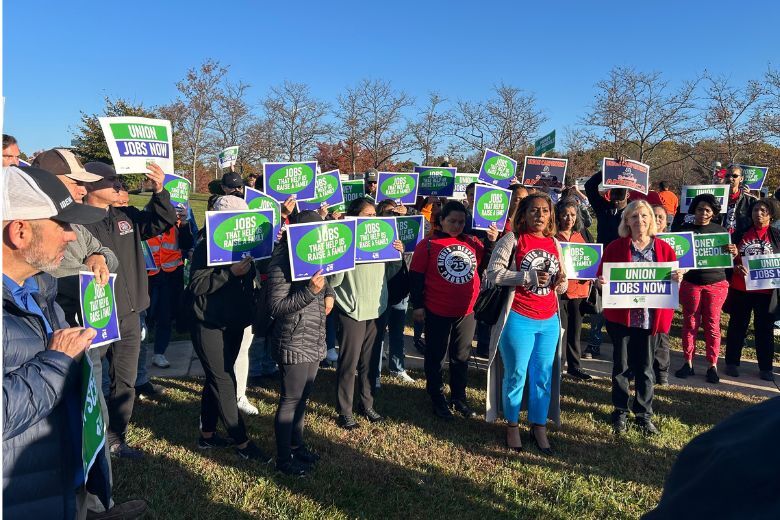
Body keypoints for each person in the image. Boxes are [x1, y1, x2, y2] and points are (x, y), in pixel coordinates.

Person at [2, 166, 113, 518]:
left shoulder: (42, 289)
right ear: (19, 231)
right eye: (62, 225)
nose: (71, 236)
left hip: (64, 484)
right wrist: (55, 362)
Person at [82, 161, 177, 458]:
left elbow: (162, 221)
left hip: (130, 312)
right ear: (90, 185)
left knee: (125, 378)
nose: (120, 186)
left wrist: (160, 190)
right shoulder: (76, 221)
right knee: (94, 379)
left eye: (120, 181)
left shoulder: (126, 216)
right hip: (94, 314)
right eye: (112, 181)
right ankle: (92, 437)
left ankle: (116, 436)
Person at [188, 195, 272, 461]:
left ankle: (208, 435)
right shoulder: (204, 246)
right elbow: (197, 286)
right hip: (208, 323)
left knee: (218, 378)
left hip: (235, 321)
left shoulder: (248, 244)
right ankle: (243, 443)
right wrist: (228, 274)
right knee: (224, 379)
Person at [484, 193, 566, 454]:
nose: (539, 216)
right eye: (533, 211)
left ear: (550, 215)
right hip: (518, 317)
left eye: (544, 211)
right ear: (523, 214)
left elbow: (561, 282)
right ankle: (512, 425)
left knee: (542, 376)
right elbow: (493, 274)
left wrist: (561, 282)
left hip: (549, 319)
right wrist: (526, 276)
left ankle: (539, 425)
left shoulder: (555, 242)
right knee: (516, 374)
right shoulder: (513, 239)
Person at [597, 200, 680, 435]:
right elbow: (601, 277)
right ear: (626, 221)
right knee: (621, 367)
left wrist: (677, 278)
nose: (639, 221)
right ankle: (620, 411)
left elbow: (672, 282)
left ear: (651, 220)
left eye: (644, 216)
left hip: (649, 319)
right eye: (634, 216)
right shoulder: (615, 247)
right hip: (621, 317)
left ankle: (644, 413)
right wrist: (600, 282)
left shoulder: (664, 250)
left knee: (645, 368)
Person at [409, 200, 497, 419]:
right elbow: (416, 277)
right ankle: (436, 396)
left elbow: (486, 264)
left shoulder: (473, 242)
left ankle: (459, 397)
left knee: (461, 356)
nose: (457, 226)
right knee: (436, 355)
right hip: (437, 309)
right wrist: (418, 305)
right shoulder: (427, 244)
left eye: (461, 221)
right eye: (452, 221)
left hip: (467, 310)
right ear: (441, 221)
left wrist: (492, 243)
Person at [266, 211, 334, 475]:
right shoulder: (281, 261)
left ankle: (296, 445)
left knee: (303, 398)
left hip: (315, 336)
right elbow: (277, 306)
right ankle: (284, 459)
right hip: (293, 339)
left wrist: (328, 293)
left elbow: (324, 281)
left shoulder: (316, 255)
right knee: (290, 399)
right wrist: (310, 292)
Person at [330, 197, 404, 429]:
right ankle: (345, 410)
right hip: (352, 308)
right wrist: (343, 255)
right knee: (348, 363)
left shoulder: (381, 240)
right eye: (367, 216)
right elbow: (335, 280)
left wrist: (397, 254)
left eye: (374, 216)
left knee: (371, 362)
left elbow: (390, 273)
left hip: (377, 308)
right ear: (354, 217)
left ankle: (367, 403)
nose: (372, 220)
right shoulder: (346, 240)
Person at [673, 194, 737, 384]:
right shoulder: (684, 231)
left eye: (708, 210)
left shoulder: (721, 231)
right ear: (694, 209)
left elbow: (728, 259)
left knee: (712, 324)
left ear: (714, 213)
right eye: (700, 209)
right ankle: (688, 362)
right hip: (691, 282)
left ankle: (712, 365)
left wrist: (734, 252)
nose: (703, 213)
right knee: (690, 322)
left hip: (716, 283)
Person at [725, 197, 780, 381]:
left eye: (763, 211)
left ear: (771, 215)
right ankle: (732, 362)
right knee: (737, 326)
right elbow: (727, 259)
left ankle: (765, 367)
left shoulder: (776, 236)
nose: (758, 214)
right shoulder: (740, 234)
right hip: (742, 289)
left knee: (764, 329)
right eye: (756, 210)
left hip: (766, 293)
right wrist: (735, 265)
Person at [584, 170, 630, 360]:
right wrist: (608, 170)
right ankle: (594, 344)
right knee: (598, 309)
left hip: (626, 264)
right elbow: (589, 187)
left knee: (623, 310)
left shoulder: (634, 212)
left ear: (629, 194)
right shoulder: (603, 208)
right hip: (604, 263)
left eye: (622, 191)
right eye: (615, 190)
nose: (618, 194)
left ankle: (623, 349)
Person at [145, 205, 193, 369]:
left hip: (170, 276)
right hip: (148, 276)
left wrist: (185, 222)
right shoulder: (144, 223)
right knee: (145, 315)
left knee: (165, 315)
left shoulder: (177, 224)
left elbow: (187, 243)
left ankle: (159, 352)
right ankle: (138, 352)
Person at [372, 199, 415, 383]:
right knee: (378, 333)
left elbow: (425, 226)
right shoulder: (374, 233)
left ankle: (397, 367)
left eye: (396, 213)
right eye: (389, 212)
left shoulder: (404, 233)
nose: (393, 216)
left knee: (397, 332)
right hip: (379, 290)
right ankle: (375, 371)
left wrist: (408, 213)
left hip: (400, 290)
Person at [555, 198, 592, 380]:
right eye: (565, 215)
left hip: (579, 290)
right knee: (560, 331)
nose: (568, 218)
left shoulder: (581, 236)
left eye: (572, 215)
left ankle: (575, 366)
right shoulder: (553, 237)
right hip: (559, 291)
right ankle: (559, 367)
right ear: (558, 216)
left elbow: (590, 260)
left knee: (575, 332)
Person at [650, 205, 672, 384]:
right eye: (654, 216)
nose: (657, 220)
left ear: (666, 222)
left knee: (662, 332)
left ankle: (662, 372)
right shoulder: (639, 240)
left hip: (664, 294)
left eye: (661, 217)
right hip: (642, 294)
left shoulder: (674, 241)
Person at [722, 165, 756, 234]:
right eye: (727, 176)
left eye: (734, 176)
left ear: (741, 179)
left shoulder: (751, 200)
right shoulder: (717, 198)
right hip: (720, 239)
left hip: (741, 240)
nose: (730, 178)